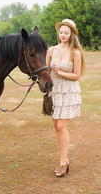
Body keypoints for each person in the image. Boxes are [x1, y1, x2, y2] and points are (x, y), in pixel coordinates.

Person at [46, 19, 84, 177]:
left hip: (69, 91)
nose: (63, 35)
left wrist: (60, 72)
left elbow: (76, 75)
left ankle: (63, 162)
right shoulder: (51, 50)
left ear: (72, 34)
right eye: (61, 32)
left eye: (66, 32)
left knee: (61, 126)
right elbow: (45, 71)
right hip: (55, 91)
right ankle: (64, 160)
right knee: (56, 127)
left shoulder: (76, 52)